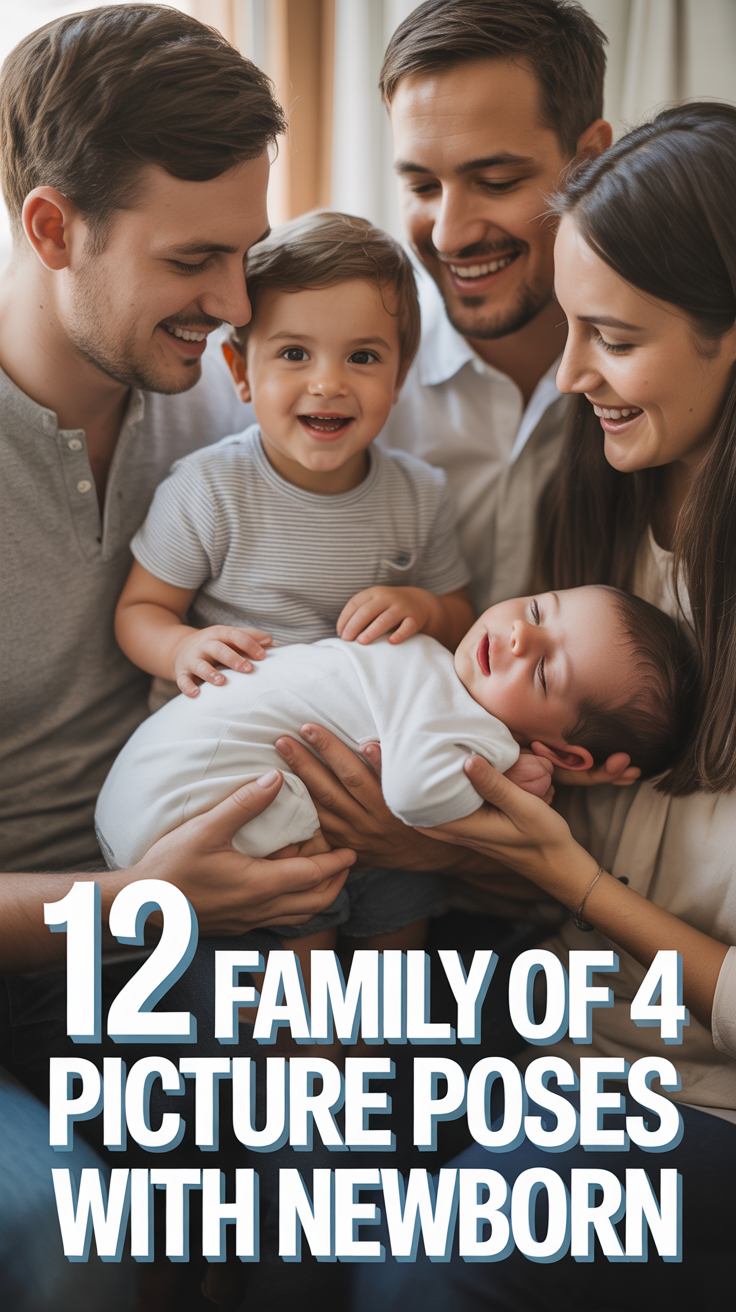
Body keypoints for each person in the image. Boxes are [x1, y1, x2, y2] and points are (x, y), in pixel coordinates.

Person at [353, 102, 736, 1307]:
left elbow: (597, 882)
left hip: (700, 1092)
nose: (567, 376)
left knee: (432, 1258)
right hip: (561, 1024)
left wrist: (572, 885)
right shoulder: (599, 498)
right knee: (295, 1171)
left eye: (611, 338)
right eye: (572, 327)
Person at [111, 208, 475, 959]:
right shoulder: (209, 490)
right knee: (293, 954)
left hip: (380, 790)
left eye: (364, 358)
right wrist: (182, 646)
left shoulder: (418, 494)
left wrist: (423, 607)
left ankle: (375, 1063)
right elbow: (141, 610)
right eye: (295, 353)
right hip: (251, 786)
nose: (329, 383)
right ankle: (307, 1067)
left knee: (398, 937)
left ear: (401, 374)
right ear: (242, 372)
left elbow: (460, 619)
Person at [97, 583, 692, 947]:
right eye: (537, 611)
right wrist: (503, 785)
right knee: (320, 885)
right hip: (181, 830)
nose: (516, 635)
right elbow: (412, 796)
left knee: (391, 877)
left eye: (542, 672)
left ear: (566, 755)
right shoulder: (464, 718)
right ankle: (317, 1046)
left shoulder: (430, 673)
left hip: (139, 808)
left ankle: (364, 1022)